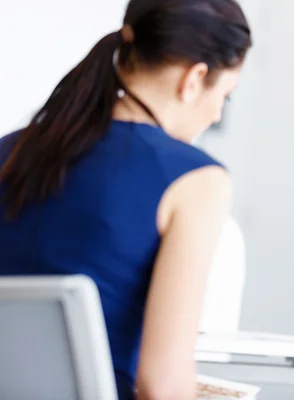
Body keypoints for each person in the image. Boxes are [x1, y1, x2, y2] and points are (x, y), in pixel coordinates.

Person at [0, 0, 251, 399]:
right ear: (194, 78)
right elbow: (161, 386)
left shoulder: (10, 151)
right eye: (226, 95)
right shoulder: (195, 180)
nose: (216, 111)